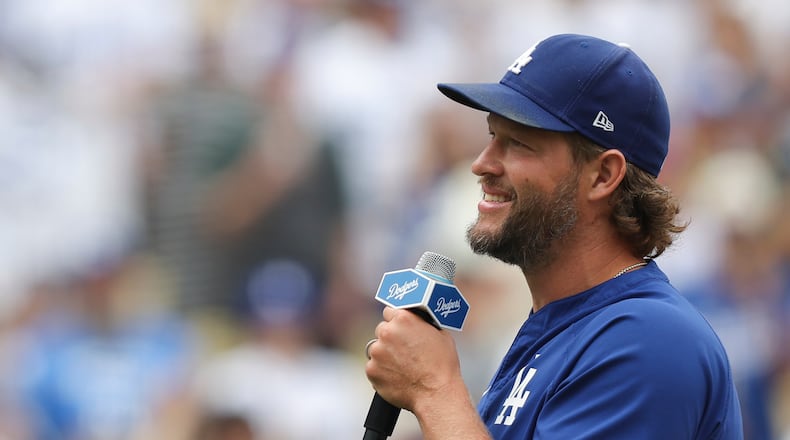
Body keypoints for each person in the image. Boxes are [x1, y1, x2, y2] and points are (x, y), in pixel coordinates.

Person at [364, 33, 744, 439]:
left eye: (518, 143)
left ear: (602, 176)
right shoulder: (567, 327)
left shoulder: (648, 340)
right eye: (493, 136)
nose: (482, 164)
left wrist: (434, 390)